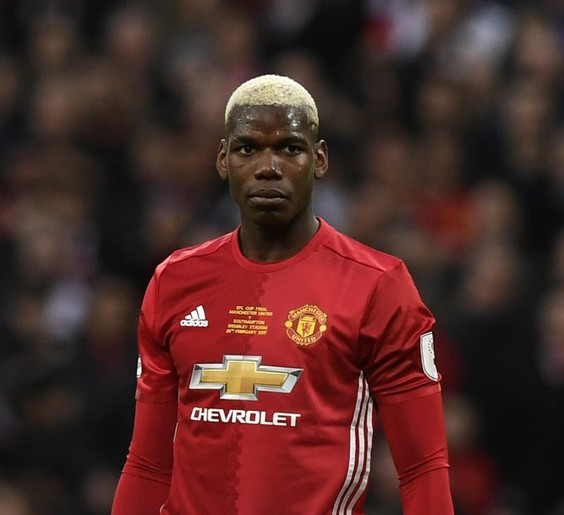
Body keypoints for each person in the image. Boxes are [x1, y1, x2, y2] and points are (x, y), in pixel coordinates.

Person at [111, 74, 454, 514]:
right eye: (248, 148)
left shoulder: (378, 285)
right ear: (222, 160)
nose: (268, 166)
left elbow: (423, 465)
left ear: (320, 159)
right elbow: (148, 464)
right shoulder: (174, 281)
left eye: (290, 148)